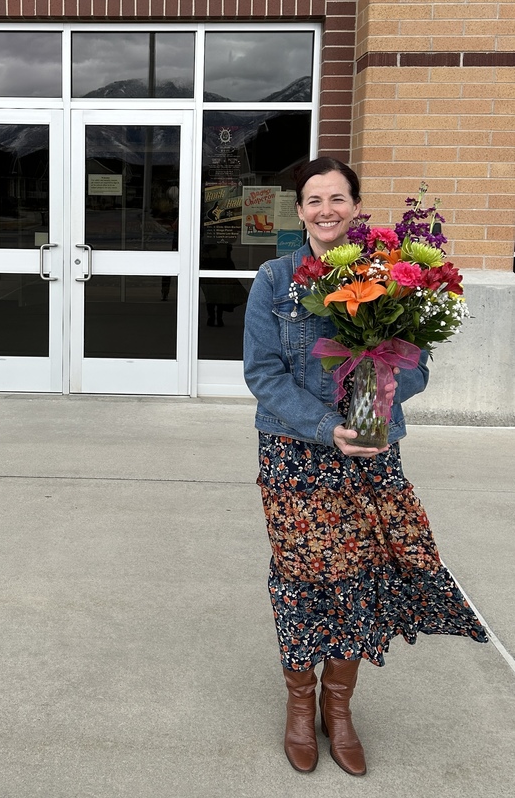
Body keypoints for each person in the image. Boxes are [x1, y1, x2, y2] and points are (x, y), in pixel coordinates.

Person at [243, 157, 487, 777]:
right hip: (295, 454)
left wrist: (379, 395)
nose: (326, 210)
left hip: (371, 451)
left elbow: (417, 365)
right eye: (314, 200)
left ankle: (339, 706)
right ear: (300, 211)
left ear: (355, 206)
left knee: (360, 578)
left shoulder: (394, 275)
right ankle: (301, 703)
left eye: (337, 199)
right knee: (301, 579)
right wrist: (328, 427)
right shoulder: (275, 280)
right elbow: (263, 374)